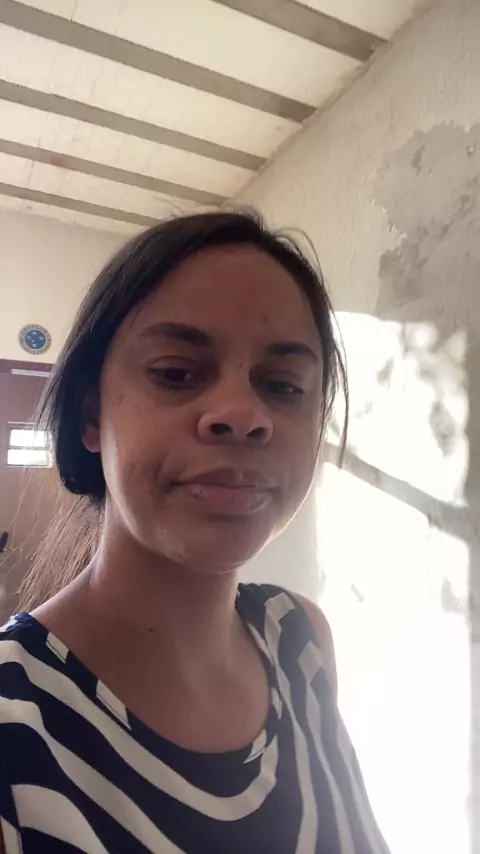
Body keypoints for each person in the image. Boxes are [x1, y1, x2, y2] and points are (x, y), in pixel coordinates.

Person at [0, 211, 390, 853]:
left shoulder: (302, 641)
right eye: (177, 373)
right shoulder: (14, 726)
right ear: (91, 415)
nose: (243, 415)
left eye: (283, 385)